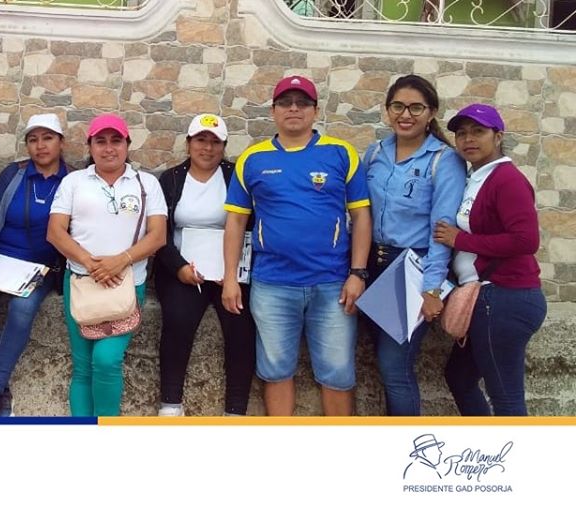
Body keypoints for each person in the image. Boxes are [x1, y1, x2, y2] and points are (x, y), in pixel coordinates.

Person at [222, 75, 372, 416]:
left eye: (302, 102)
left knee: (337, 373)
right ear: (273, 111)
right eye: (285, 103)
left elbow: (361, 216)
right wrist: (230, 278)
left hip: (333, 284)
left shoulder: (341, 153)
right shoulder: (253, 158)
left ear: (315, 110)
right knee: (275, 369)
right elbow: (236, 222)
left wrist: (358, 273)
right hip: (272, 284)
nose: (294, 109)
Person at [47, 113, 167, 416]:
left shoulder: (147, 184)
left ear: (128, 144)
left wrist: (120, 261)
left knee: (107, 359)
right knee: (83, 367)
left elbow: (158, 236)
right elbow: (55, 231)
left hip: (126, 286)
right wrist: (90, 263)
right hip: (81, 285)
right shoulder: (74, 182)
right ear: (90, 146)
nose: (109, 148)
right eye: (100, 141)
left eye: (116, 140)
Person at [360, 75, 466, 416]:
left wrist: (431, 288)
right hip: (372, 266)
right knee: (379, 361)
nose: (405, 115)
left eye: (416, 108)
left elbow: (442, 229)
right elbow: (359, 213)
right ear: (387, 109)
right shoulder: (375, 153)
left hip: (410, 269)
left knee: (395, 367)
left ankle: (408, 443)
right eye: (398, 106)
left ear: (431, 112)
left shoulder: (444, 160)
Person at [434, 103, 546, 416]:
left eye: (478, 131)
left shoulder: (506, 179)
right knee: (459, 377)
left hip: (505, 297)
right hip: (488, 299)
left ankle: (511, 449)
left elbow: (526, 240)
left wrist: (460, 239)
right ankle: (486, 443)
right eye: (461, 133)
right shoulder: (477, 177)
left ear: (498, 136)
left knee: (506, 398)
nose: (468, 139)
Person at [0, 114, 69, 416]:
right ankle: (2, 391)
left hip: (40, 268)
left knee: (22, 308)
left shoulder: (73, 180)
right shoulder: (14, 174)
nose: (40, 146)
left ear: (61, 143)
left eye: (47, 138)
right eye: (33, 140)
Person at [155, 113, 256, 416]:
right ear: (188, 143)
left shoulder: (236, 176)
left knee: (241, 326)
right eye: (201, 140)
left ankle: (235, 410)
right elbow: (159, 233)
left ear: (224, 146)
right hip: (183, 270)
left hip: (230, 272)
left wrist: (232, 275)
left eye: (215, 142)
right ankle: (170, 404)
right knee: (177, 320)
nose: (207, 148)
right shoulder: (171, 179)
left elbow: (249, 226)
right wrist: (179, 268)